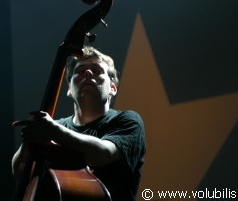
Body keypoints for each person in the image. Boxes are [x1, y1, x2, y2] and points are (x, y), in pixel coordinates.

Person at [12, 46, 146, 201]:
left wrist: (54, 131)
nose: (88, 73)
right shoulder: (51, 128)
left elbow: (104, 153)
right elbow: (20, 172)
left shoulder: (127, 120)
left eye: (97, 70)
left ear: (113, 89)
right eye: (80, 71)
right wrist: (29, 141)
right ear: (69, 89)